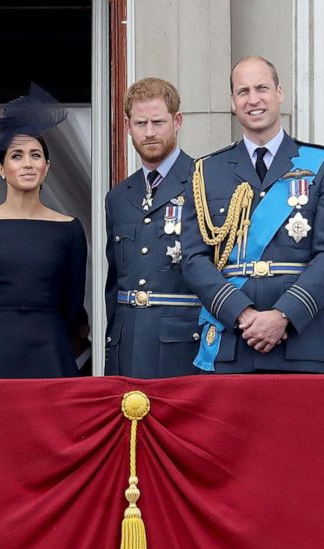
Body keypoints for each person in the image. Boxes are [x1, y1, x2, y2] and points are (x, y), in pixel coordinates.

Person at [181, 56, 324, 373]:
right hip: (232, 341)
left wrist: (283, 315)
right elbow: (193, 259)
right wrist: (242, 315)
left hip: (301, 343)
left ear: (279, 93)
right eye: (243, 91)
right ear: (233, 101)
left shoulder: (323, 165)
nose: (253, 99)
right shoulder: (207, 171)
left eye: (262, 88)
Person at [0, 85, 87, 378]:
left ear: (47, 166)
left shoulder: (70, 229)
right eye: (17, 155)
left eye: (35, 155)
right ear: (1, 168)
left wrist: (47, 333)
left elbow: (73, 306)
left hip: (50, 353)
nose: (27, 163)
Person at [105, 77, 202, 378]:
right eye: (140, 123)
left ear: (177, 121)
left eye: (158, 122)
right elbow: (114, 286)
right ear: (127, 125)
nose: (149, 133)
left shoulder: (205, 182)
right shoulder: (118, 197)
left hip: (183, 347)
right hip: (128, 347)